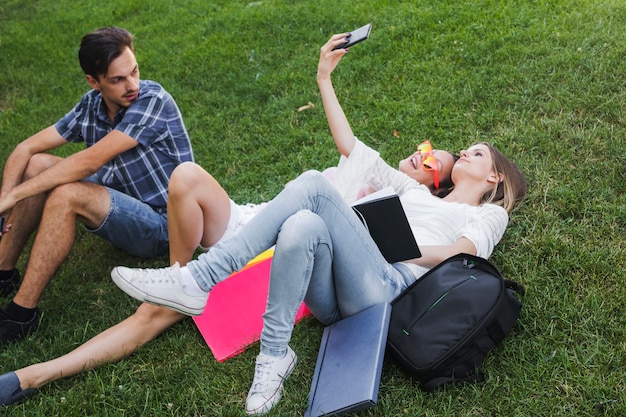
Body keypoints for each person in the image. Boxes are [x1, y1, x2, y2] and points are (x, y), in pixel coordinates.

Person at [0, 42, 460, 405]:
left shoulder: (412, 203)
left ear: (436, 185)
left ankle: (30, 376)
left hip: (277, 251)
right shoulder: (380, 173)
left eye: (429, 163)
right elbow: (345, 139)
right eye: (423, 148)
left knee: (153, 316)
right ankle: (179, 281)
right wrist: (323, 76)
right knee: (186, 176)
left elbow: (431, 251)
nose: (419, 158)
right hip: (245, 219)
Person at [108, 34, 528, 415]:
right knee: (303, 225)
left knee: (312, 186)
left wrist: (393, 248)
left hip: (389, 287)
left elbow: (461, 255)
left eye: (477, 154)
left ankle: (199, 278)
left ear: (495, 177)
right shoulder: (414, 191)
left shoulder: (488, 214)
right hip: (341, 296)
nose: (466, 154)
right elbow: (351, 147)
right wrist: (324, 77)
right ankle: (274, 358)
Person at [0, 26, 194, 343]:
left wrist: (15, 196)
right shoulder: (91, 106)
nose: (132, 85)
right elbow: (25, 149)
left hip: (165, 223)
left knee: (68, 194)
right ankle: (3, 271)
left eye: (134, 72)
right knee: (37, 165)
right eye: (118, 79)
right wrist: (4, 199)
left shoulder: (152, 99)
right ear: (94, 82)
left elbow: (90, 161)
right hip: (121, 199)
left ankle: (23, 313)